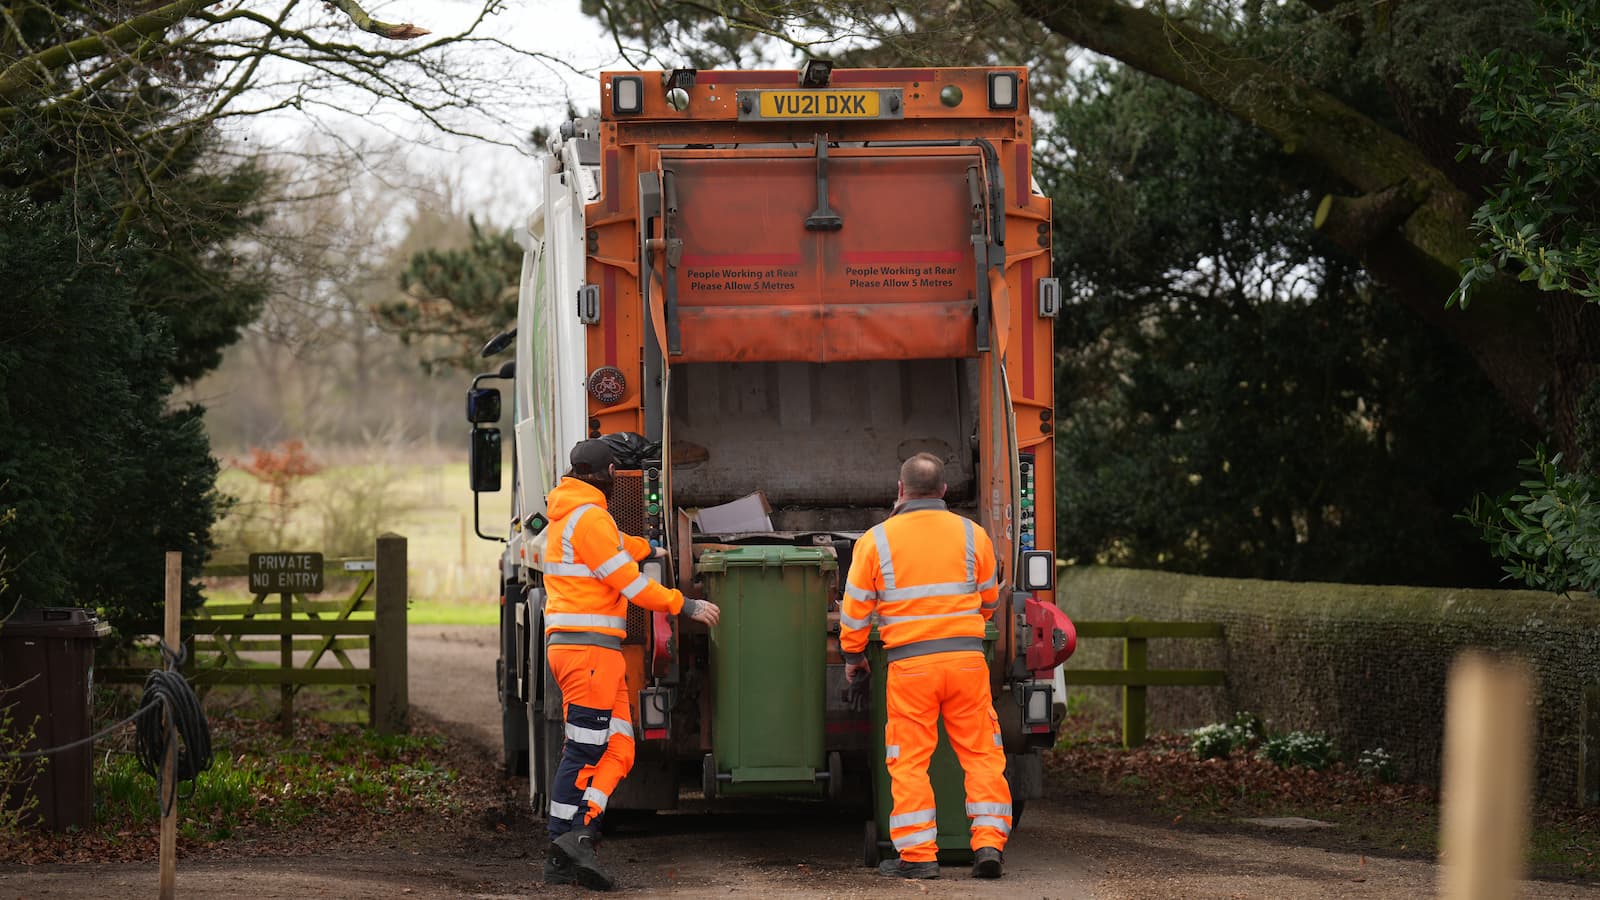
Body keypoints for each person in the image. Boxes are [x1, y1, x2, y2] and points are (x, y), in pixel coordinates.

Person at [541, 438, 721, 891]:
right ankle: (564, 842)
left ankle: (579, 834)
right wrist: (686, 605)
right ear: (606, 476)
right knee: (584, 750)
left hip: (589, 652)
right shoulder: (590, 518)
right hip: (589, 655)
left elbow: (619, 547)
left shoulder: (572, 514)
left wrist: (650, 548)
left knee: (620, 748)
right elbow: (630, 584)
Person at [838, 452, 1010, 880]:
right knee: (981, 753)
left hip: (910, 668)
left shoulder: (875, 540)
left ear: (900, 491)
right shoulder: (974, 534)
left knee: (910, 760)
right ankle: (988, 844)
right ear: (944, 491)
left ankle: (919, 857)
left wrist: (854, 656)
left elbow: (855, 612)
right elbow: (990, 599)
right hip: (968, 662)